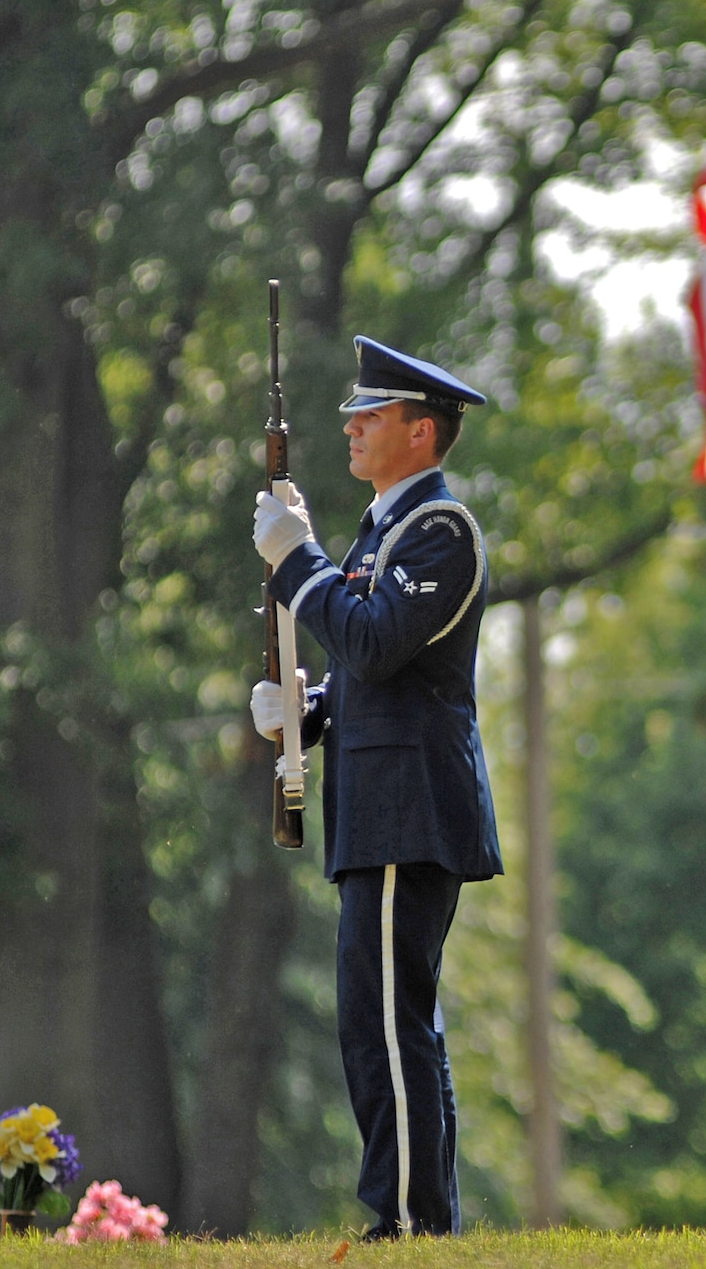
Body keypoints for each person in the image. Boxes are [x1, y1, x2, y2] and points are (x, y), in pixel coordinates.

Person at [248, 336, 502, 1239]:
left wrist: (300, 561)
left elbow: (373, 639)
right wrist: (307, 709)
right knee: (387, 1024)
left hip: (409, 810)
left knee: (386, 1027)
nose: (351, 426)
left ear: (422, 433)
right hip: (380, 807)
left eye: (373, 414)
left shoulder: (441, 529)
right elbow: (367, 675)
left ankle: (407, 1220)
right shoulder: (386, 531)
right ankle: (419, 1219)